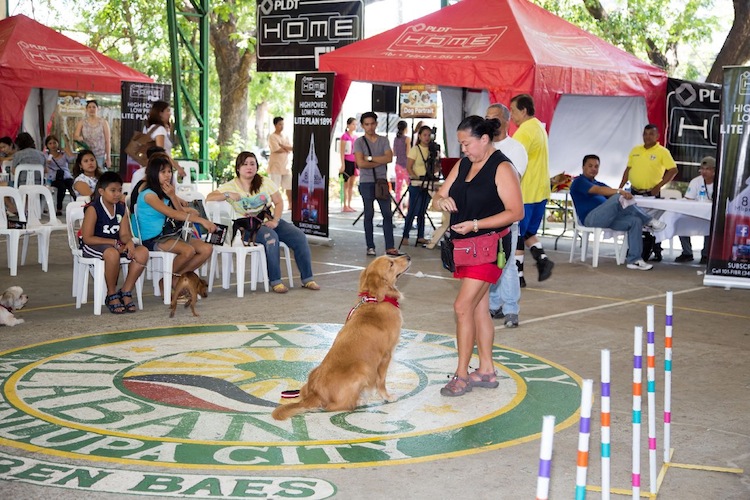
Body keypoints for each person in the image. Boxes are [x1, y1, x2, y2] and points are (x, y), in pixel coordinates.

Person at [433, 116, 523, 397]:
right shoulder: (464, 165)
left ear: (485, 139)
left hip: (490, 247)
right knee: (479, 308)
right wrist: (442, 201)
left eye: (467, 144)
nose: (464, 150)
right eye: (461, 145)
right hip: (466, 248)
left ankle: (461, 375)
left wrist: (476, 224)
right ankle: (486, 370)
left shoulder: (503, 167)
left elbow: (515, 212)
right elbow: (439, 195)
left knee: (462, 306)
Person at [206, 151, 320, 293]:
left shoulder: (265, 182)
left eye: (252, 164)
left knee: (299, 237)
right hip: (248, 226)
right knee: (271, 238)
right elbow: (209, 198)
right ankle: (275, 281)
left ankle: (307, 279)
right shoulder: (231, 185)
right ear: (238, 168)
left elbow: (278, 202)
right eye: (245, 164)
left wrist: (276, 221)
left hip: (269, 221)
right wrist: (227, 195)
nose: (249, 167)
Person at [570, 154, 666, 271]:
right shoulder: (579, 181)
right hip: (591, 219)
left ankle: (634, 260)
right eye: (590, 166)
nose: (593, 169)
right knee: (618, 197)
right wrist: (620, 192)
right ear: (583, 167)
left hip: (607, 219)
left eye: (596, 166)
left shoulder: (599, 182)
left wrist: (624, 194)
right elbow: (599, 191)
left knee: (635, 221)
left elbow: (611, 193)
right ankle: (649, 220)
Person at [133, 153, 215, 276]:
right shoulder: (149, 195)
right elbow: (173, 214)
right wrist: (202, 221)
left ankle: (175, 278)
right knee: (188, 251)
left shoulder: (166, 191)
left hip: (171, 234)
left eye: (169, 171)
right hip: (153, 238)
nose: (168, 175)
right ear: (154, 174)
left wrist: (172, 196)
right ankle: (167, 281)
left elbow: (180, 214)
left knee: (207, 249)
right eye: (163, 172)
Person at [80, 171, 148, 314]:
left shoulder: (122, 208)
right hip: (94, 245)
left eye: (119, 190)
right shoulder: (93, 208)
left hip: (115, 244)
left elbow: (123, 234)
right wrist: (114, 243)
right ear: (101, 191)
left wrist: (128, 242)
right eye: (113, 190)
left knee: (142, 252)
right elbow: (87, 237)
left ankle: (126, 291)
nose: (117, 194)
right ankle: (111, 294)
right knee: (112, 254)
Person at [485, 103, 528, 327]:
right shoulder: (483, 145)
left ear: (506, 121)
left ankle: (511, 309)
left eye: (495, 118)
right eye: (487, 118)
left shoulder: (515, 149)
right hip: (485, 216)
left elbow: (513, 182)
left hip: (507, 214)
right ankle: (494, 305)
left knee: (509, 263)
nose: (491, 122)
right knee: (490, 262)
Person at [509, 94, 554, 287]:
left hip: (526, 190)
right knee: (528, 232)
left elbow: (513, 162)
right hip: (541, 190)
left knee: (518, 233)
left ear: (524, 110)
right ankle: (542, 259)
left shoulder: (524, 132)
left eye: (513, 111)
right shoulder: (539, 128)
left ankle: (518, 276)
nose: (511, 116)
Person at [618, 123, 678, 262]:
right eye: (645, 134)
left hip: (651, 192)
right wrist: (620, 187)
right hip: (633, 192)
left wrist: (660, 185)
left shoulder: (663, 152)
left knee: (652, 222)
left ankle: (656, 250)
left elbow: (673, 170)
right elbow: (628, 170)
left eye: (651, 134)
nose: (647, 137)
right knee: (635, 221)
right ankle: (634, 248)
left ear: (657, 136)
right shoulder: (635, 150)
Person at [354, 112, 399, 256]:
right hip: (366, 182)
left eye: (372, 123)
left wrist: (370, 158)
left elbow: (389, 158)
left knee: (387, 214)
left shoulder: (384, 140)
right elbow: (360, 163)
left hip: (381, 182)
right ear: (362, 125)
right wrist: (379, 160)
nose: (370, 127)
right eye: (366, 124)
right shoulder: (359, 142)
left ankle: (390, 246)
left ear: (376, 124)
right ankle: (370, 246)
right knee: (369, 214)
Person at [675, 156, 715, 264]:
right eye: (702, 169)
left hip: (711, 215)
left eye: (707, 169)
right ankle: (687, 253)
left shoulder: (720, 181)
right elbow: (689, 199)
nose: (704, 172)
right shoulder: (696, 181)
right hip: (695, 213)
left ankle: (706, 255)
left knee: (711, 225)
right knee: (680, 221)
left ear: (714, 171)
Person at [401, 125, 435, 247]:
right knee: (413, 210)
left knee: (422, 211)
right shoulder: (415, 149)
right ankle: (405, 235)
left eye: (429, 135)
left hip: (428, 183)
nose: (427, 137)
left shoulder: (432, 150)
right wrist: (415, 177)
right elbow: (409, 167)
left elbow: (436, 167)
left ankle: (420, 236)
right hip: (416, 183)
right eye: (424, 135)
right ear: (419, 136)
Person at [142, 100, 186, 179]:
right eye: (168, 111)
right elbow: (161, 152)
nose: (170, 114)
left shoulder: (149, 128)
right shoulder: (160, 130)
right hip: (160, 169)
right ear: (160, 113)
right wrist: (177, 167)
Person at [45, 134, 77, 215]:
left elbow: (72, 158)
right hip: (54, 177)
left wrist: (67, 146)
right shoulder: (46, 155)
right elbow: (44, 168)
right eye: (50, 143)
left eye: (54, 143)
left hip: (66, 176)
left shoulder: (63, 154)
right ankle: (59, 208)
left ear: (58, 143)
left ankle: (77, 204)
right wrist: (46, 164)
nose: (53, 145)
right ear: (47, 145)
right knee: (61, 187)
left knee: (72, 186)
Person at [74, 100, 111, 169]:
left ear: (98, 109)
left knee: (100, 175)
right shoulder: (82, 122)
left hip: (100, 155)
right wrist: (79, 138)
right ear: (86, 109)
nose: (92, 109)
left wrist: (108, 157)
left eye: (94, 107)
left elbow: (107, 141)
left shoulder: (103, 122)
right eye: (89, 107)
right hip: (87, 154)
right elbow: (75, 136)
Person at [267, 116, 294, 205]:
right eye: (280, 124)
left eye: (282, 124)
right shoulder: (272, 137)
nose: (282, 126)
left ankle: (290, 204)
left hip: (286, 165)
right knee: (275, 187)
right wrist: (285, 148)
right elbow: (277, 149)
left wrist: (283, 146)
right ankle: (274, 205)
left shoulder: (285, 136)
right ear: (275, 125)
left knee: (289, 186)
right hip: (276, 166)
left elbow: (292, 148)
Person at [338, 117, 358, 212]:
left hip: (354, 162)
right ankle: (344, 205)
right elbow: (342, 151)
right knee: (346, 184)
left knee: (351, 185)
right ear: (348, 125)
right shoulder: (344, 136)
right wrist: (342, 164)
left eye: (355, 124)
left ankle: (349, 204)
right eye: (353, 124)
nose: (354, 126)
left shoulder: (356, 137)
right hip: (347, 161)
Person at [392, 120, 411, 213]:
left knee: (398, 189)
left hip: (397, 165)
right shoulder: (407, 139)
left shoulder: (396, 139)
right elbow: (408, 153)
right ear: (406, 128)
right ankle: (409, 209)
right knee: (410, 188)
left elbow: (394, 153)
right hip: (406, 166)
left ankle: (399, 209)